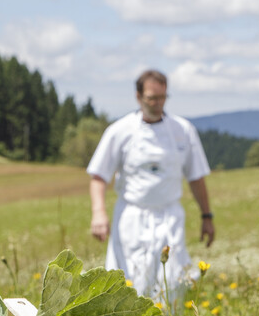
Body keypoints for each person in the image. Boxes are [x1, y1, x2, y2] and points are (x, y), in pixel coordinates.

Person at [87, 70, 214, 303]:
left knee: (173, 278)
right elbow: (99, 175)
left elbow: (196, 176)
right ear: (138, 97)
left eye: (162, 98)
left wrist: (207, 215)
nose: (157, 104)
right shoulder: (119, 131)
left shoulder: (183, 131)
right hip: (132, 216)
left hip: (170, 215)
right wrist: (99, 213)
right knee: (130, 279)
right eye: (152, 98)